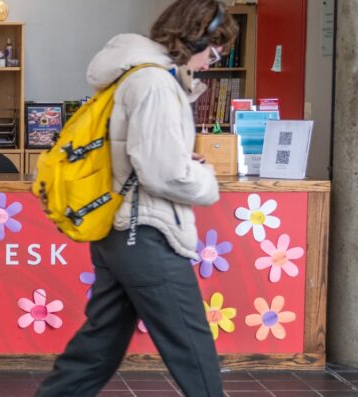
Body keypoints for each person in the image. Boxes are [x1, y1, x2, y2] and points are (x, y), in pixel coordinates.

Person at [36, 1, 238, 396]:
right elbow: (163, 174)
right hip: (148, 233)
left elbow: (140, 154)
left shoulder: (132, 74)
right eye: (214, 51)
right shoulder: (157, 84)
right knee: (191, 346)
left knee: (98, 348)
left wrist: (177, 157)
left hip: (120, 231)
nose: (213, 62)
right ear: (194, 37)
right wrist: (205, 178)